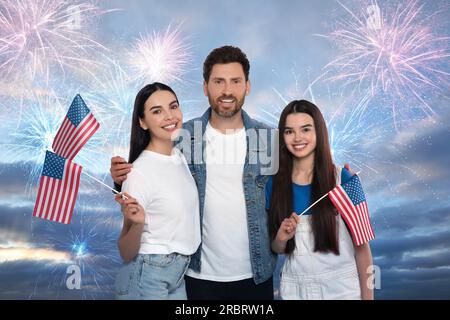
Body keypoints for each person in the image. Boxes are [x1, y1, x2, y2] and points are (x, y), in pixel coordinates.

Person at [111, 46, 277, 299]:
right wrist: (118, 177)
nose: (227, 90)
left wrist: (332, 173)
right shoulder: (181, 137)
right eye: (218, 81)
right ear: (205, 87)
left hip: (255, 276)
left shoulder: (268, 139)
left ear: (247, 86)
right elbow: (149, 166)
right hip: (196, 277)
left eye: (235, 81)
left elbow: (298, 181)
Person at [266, 100, 374, 300]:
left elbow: (363, 249)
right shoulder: (274, 185)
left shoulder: (344, 180)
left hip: (342, 290)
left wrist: (368, 298)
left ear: (319, 131)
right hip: (295, 290)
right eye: (289, 131)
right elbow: (277, 248)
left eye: (305, 129)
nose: (297, 138)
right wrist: (281, 238)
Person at [114, 82, 200, 300]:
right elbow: (126, 251)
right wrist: (138, 223)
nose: (169, 116)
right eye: (157, 111)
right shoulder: (138, 173)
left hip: (177, 274)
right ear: (142, 122)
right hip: (146, 275)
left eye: (173, 107)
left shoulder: (179, 157)